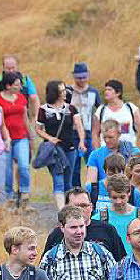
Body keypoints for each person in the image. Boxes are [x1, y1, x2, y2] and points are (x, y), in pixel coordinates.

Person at [37, 80, 86, 210]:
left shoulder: (70, 108)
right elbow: (38, 129)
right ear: (55, 93)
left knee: (68, 181)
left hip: (70, 148)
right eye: (62, 90)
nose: (65, 92)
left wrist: (81, 141)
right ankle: (61, 211)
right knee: (58, 179)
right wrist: (49, 138)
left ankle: (69, 209)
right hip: (54, 151)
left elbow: (79, 125)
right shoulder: (43, 110)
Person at [43, 187, 125, 261]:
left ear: (91, 207)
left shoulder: (108, 230)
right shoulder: (56, 234)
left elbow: (121, 263)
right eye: (75, 206)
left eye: (84, 206)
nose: (80, 210)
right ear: (66, 208)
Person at [0, 71, 34, 209]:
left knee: (23, 165)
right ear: (8, 86)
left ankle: (24, 192)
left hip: (21, 137)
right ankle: (9, 195)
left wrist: (31, 135)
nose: (20, 87)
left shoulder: (21, 98)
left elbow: (25, 116)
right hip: (4, 138)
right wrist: (6, 137)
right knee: (7, 169)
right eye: (17, 85)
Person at [101, 175, 140, 254]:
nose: (118, 201)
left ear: (129, 192)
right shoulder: (101, 218)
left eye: (122, 197)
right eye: (114, 197)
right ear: (109, 195)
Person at [68, 63, 101, 187]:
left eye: (84, 77)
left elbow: (100, 110)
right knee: (74, 165)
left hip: (89, 132)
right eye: (78, 77)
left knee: (92, 163)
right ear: (74, 77)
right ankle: (75, 190)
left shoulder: (94, 92)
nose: (81, 80)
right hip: (71, 133)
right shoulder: (68, 91)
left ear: (88, 76)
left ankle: (93, 189)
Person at [93, 80, 140, 149]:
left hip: (128, 150)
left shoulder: (130, 108)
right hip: (107, 151)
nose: (106, 92)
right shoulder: (101, 110)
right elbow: (95, 133)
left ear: (118, 93)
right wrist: (97, 151)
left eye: (109, 90)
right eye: (105, 90)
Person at [0, 56, 40, 135]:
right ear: (3, 68)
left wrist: (35, 117)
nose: (11, 71)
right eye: (8, 68)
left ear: (17, 67)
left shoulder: (25, 79)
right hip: (3, 114)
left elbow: (34, 97)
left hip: (22, 112)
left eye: (13, 68)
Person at [85, 120, 138, 185]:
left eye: (110, 137)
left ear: (119, 134)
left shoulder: (133, 152)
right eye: (104, 137)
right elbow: (90, 184)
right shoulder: (95, 155)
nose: (107, 140)